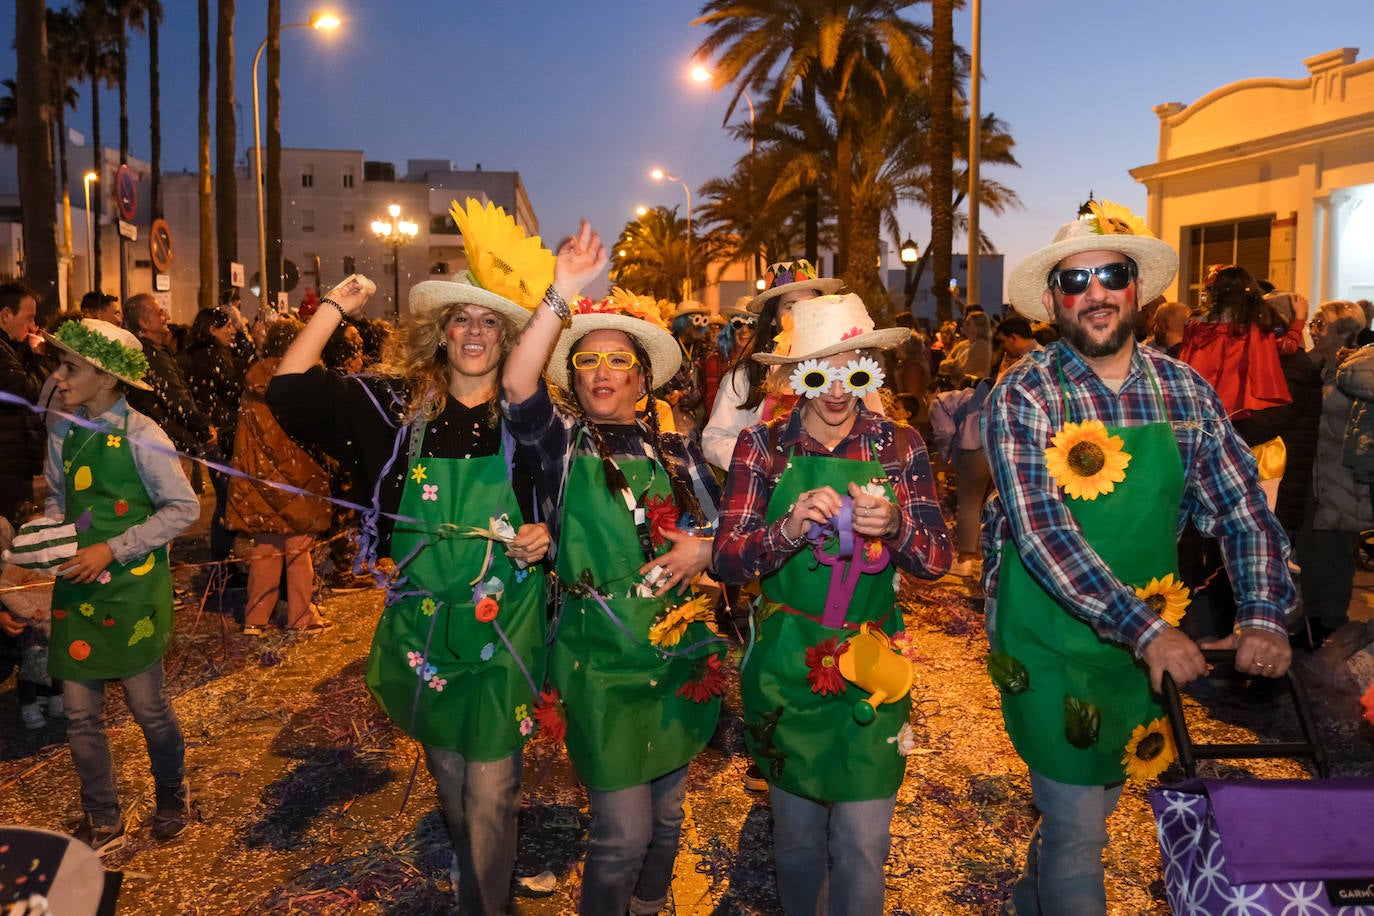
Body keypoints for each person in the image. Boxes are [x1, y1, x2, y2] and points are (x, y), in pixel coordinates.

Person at [985, 201, 1295, 915]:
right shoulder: (1026, 392)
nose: (1094, 292)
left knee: (1094, 802)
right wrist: (1147, 629)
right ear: (1053, 301)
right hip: (1048, 637)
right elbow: (1042, 535)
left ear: (1137, 289)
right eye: (1076, 281)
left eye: (1111, 275)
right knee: (1076, 831)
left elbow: (1245, 511)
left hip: (1146, 645)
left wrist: (1264, 616)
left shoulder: (1185, 389)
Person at [269, 202, 552, 915]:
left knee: (493, 787)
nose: (476, 332)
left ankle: (488, 906)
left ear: (511, 336)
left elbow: (570, 512)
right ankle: (475, 874)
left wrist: (545, 535)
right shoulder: (396, 409)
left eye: (492, 321)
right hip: (421, 624)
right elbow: (289, 389)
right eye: (462, 318)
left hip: (505, 624)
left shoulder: (534, 418)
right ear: (439, 330)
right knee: (453, 779)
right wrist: (335, 305)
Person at [502, 222, 723, 916]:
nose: (601, 370)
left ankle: (648, 908)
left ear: (642, 376)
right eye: (588, 360)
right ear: (574, 376)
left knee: (666, 824)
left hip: (673, 651)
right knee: (621, 835)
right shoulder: (562, 443)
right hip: (595, 661)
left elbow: (720, 536)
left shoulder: (678, 452)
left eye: (617, 361)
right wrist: (564, 290)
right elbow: (515, 383)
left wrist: (706, 551)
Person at [713, 292, 952, 914]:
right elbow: (728, 560)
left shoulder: (900, 448)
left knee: (864, 842)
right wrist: (786, 530)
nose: (837, 390)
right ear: (793, 377)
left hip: (872, 666)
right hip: (787, 665)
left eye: (854, 369)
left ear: (871, 369)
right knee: (794, 843)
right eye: (819, 372)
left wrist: (897, 526)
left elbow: (935, 562)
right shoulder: (760, 446)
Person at [41, 318, 200, 852]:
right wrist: (46, 543)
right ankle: (102, 816)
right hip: (78, 592)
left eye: (71, 368)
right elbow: (60, 503)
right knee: (80, 714)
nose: (58, 378)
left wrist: (113, 548)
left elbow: (183, 508)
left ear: (108, 378)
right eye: (58, 365)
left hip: (130, 592)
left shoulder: (143, 436)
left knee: (148, 709)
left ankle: (172, 796)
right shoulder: (62, 431)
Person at [226, 317, 332, 635]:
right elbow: (314, 428)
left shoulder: (253, 379)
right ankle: (300, 615)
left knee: (266, 548)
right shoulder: (301, 378)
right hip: (298, 473)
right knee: (299, 551)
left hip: (261, 477)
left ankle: (256, 618)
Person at [701, 260, 844, 472]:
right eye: (791, 306)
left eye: (810, 304)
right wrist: (766, 459)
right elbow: (714, 440)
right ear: (774, 319)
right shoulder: (746, 376)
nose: (802, 312)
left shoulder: (845, 370)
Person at [1296, 300, 1370, 647]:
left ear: (1344, 332)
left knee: (1336, 557)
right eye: (1313, 323)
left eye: (1320, 324)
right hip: (1311, 476)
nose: (1313, 330)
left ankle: (1333, 626)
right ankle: (1310, 622)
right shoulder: (1313, 367)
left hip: (1341, 479)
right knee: (1308, 550)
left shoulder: (1359, 370)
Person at [180, 307, 251, 571]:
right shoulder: (211, 357)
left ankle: (223, 559)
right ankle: (221, 561)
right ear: (212, 330)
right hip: (222, 436)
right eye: (227, 327)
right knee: (227, 500)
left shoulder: (203, 354)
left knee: (227, 498)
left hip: (220, 434)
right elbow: (235, 387)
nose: (232, 331)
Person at [123, 294, 216, 459]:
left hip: (160, 441)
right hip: (170, 445)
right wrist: (204, 429)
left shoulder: (143, 352)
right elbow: (176, 398)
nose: (167, 317)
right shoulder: (151, 356)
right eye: (160, 313)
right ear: (144, 323)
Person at [0, 283, 46, 522]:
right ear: (6, 315)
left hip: (14, 460)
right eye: (28, 318)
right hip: (7, 465)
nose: (33, 326)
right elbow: (30, 390)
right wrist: (37, 357)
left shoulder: (11, 349)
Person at [938, 310, 992, 380]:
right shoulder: (963, 344)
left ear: (978, 328)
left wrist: (952, 365)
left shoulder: (981, 345)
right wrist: (955, 364)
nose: (964, 325)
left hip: (971, 387)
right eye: (965, 322)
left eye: (968, 323)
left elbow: (965, 370)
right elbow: (943, 364)